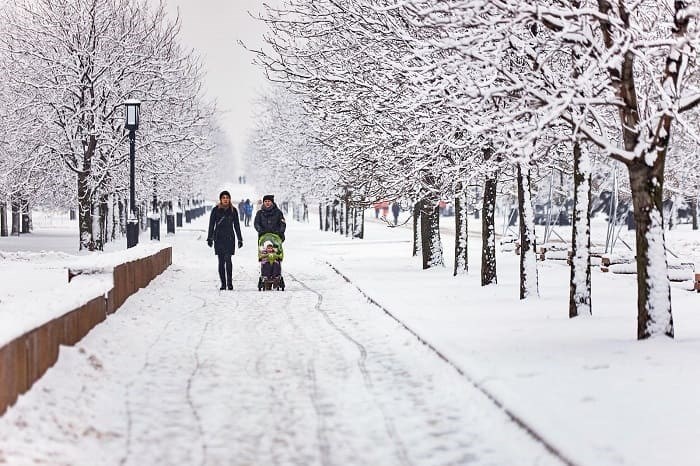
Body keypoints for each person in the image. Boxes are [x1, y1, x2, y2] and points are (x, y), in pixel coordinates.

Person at [207, 190, 243, 290]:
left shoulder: (233, 210)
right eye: (224, 198)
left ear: (229, 199)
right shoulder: (215, 210)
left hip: (229, 238)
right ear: (221, 199)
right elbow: (211, 225)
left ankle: (230, 283)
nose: (225, 199)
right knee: (221, 261)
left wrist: (240, 239)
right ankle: (223, 283)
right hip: (218, 238)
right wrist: (209, 238)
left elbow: (237, 225)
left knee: (228, 259)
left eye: (227, 198)